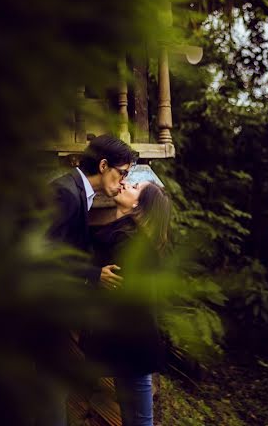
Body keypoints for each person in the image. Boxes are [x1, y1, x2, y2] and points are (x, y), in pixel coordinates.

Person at [44, 133, 135, 426]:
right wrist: (94, 274)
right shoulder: (65, 192)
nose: (123, 181)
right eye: (122, 173)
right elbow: (43, 250)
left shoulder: (78, 192)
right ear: (104, 164)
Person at [84, 178, 172, 426]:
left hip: (134, 346)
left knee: (140, 421)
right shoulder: (125, 234)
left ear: (139, 207)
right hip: (129, 346)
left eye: (135, 187)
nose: (125, 185)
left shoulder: (131, 244)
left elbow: (114, 293)